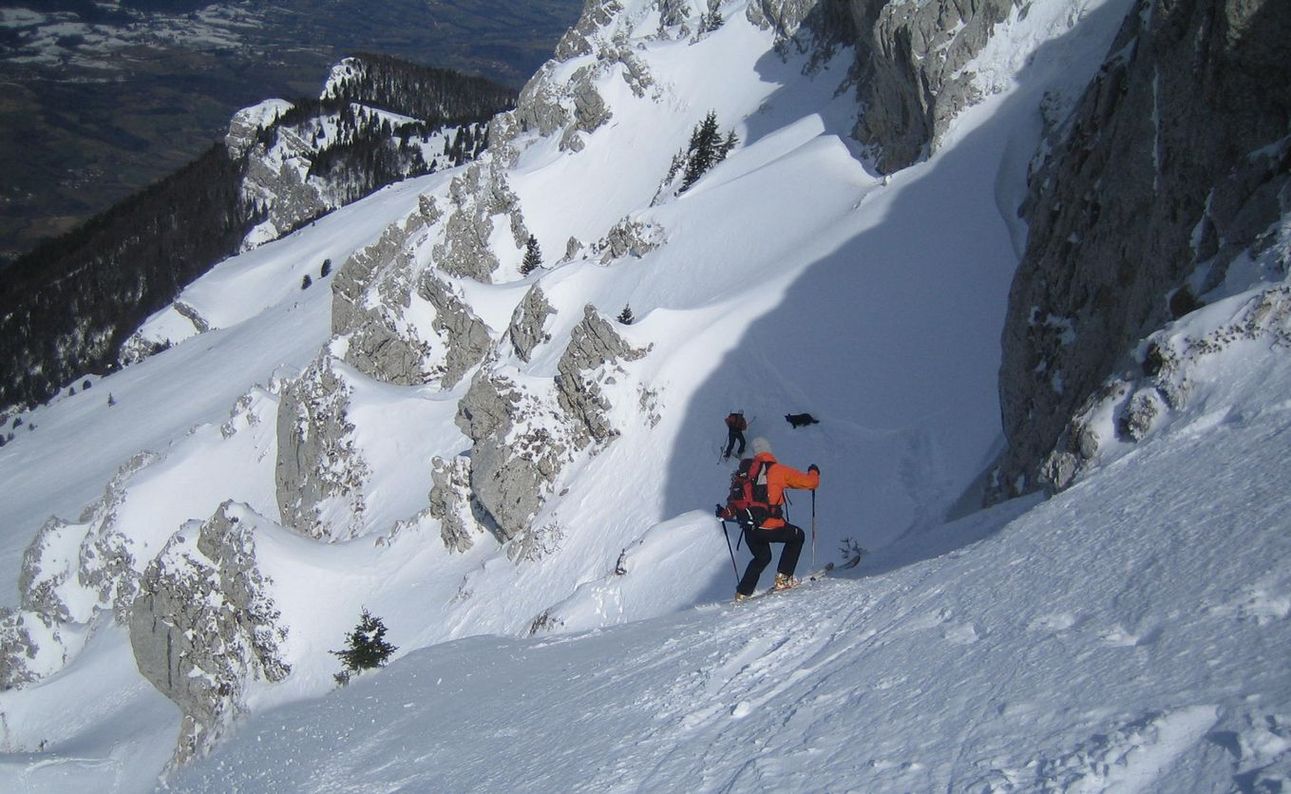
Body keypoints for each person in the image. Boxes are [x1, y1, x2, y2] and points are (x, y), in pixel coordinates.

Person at [734, 437, 819, 601]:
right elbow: (810, 483)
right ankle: (784, 578)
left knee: (762, 557)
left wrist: (724, 514)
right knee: (797, 536)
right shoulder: (777, 470)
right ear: (769, 450)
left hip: (750, 528)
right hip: (770, 526)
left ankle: (743, 592)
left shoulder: (745, 474)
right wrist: (814, 471)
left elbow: (735, 500)